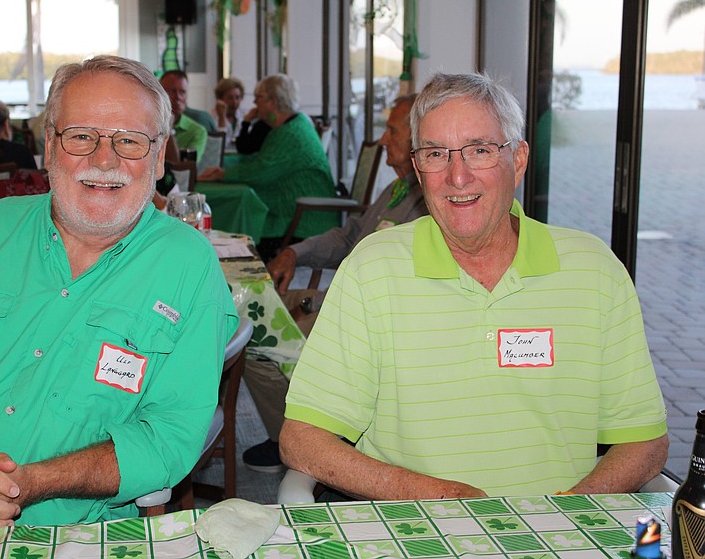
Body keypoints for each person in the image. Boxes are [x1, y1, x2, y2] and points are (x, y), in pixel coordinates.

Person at [0, 55, 239, 528]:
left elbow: (168, 435)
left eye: (129, 141)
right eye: (81, 137)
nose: (103, 159)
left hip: (67, 535)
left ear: (158, 159)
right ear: (49, 147)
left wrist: (26, 483)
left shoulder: (189, 269)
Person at [279, 72, 668, 499]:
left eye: (479, 151)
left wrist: (565, 514)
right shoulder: (372, 270)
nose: (457, 177)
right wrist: (442, 498)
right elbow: (302, 439)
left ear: (517, 161)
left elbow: (645, 441)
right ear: (417, 169)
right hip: (416, 528)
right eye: (435, 153)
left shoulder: (594, 272)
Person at [241, 93, 429, 473]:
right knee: (246, 317)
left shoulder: (426, 204)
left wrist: (311, 304)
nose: (381, 140)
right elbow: (349, 236)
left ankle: (302, 441)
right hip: (334, 299)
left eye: (391, 130)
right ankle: (297, 434)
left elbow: (389, 298)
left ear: (416, 140)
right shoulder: (395, 190)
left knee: (254, 341)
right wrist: (296, 252)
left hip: (350, 316)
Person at [198, 74, 338, 260]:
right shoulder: (292, 125)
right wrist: (224, 170)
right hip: (295, 209)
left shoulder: (291, 132)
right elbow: (262, 161)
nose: (255, 103)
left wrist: (223, 174)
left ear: (274, 101)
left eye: (259, 97)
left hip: (304, 218)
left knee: (237, 235)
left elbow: (261, 171)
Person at [159, 70, 208, 163]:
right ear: (160, 94)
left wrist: (168, 129)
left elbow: (183, 169)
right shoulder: (147, 124)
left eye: (182, 92)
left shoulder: (197, 131)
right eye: (172, 91)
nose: (178, 97)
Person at [212, 77, 246, 146]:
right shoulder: (213, 118)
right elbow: (219, 145)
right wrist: (222, 117)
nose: (234, 102)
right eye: (230, 98)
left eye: (237, 97)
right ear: (220, 99)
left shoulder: (244, 115)